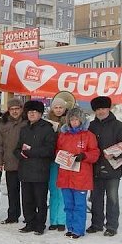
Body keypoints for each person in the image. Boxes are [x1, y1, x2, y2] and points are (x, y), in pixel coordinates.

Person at [87, 96, 122, 237]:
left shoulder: (118, 126)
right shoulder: (91, 126)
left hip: (112, 168)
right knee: (95, 197)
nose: (100, 111)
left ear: (109, 108)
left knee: (112, 198)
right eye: (97, 109)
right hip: (94, 168)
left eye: (103, 108)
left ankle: (112, 226)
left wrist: (115, 154)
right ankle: (96, 224)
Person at [56, 107, 100, 239]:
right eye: (72, 119)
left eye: (76, 119)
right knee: (68, 205)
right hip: (65, 175)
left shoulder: (88, 136)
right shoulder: (63, 135)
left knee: (79, 205)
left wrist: (84, 156)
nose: (74, 122)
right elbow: (57, 150)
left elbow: (95, 153)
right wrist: (61, 156)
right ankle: (70, 228)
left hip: (81, 176)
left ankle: (78, 229)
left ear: (81, 120)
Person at [15, 100, 56, 235]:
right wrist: (18, 153)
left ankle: (40, 224)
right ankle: (29, 222)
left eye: (35, 112)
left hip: (40, 170)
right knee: (27, 200)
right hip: (25, 169)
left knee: (40, 200)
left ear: (40, 113)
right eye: (30, 112)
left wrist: (31, 152)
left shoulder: (47, 128)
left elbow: (49, 150)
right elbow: (17, 147)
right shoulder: (24, 129)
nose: (32, 114)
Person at [0, 98, 27, 224]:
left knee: (26, 192)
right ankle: (13, 215)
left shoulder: (26, 122)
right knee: (12, 191)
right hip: (9, 161)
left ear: (21, 109)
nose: (14, 111)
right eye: (12, 109)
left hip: (25, 162)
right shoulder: (4, 124)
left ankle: (28, 215)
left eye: (17, 109)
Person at [45, 97, 70, 231]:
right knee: (53, 190)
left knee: (62, 190)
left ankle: (62, 219)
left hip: (65, 159)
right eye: (56, 107)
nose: (59, 110)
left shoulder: (70, 121)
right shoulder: (47, 122)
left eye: (61, 107)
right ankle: (53, 220)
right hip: (52, 159)